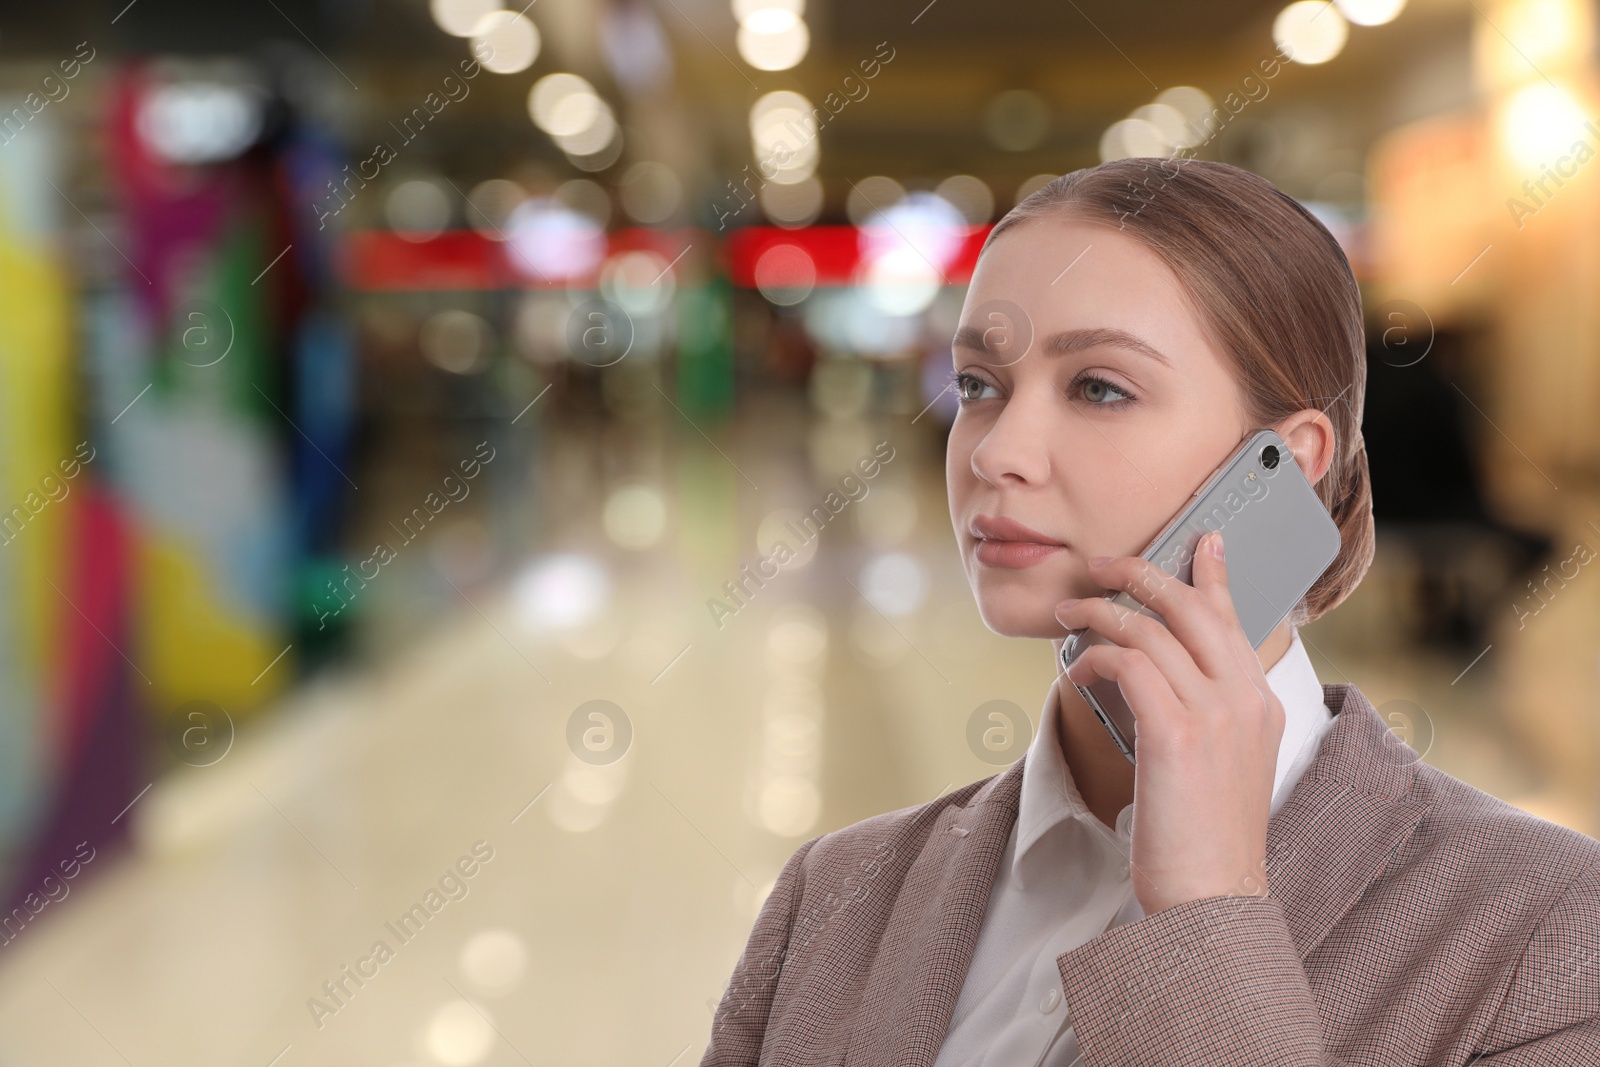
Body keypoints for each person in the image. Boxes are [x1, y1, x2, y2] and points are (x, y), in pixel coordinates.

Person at [698, 159, 1600, 1066]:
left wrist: (1208, 913)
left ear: (1286, 459)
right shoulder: (832, 895)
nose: (998, 452)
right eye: (978, 384)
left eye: (1099, 387)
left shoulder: (1546, 931)